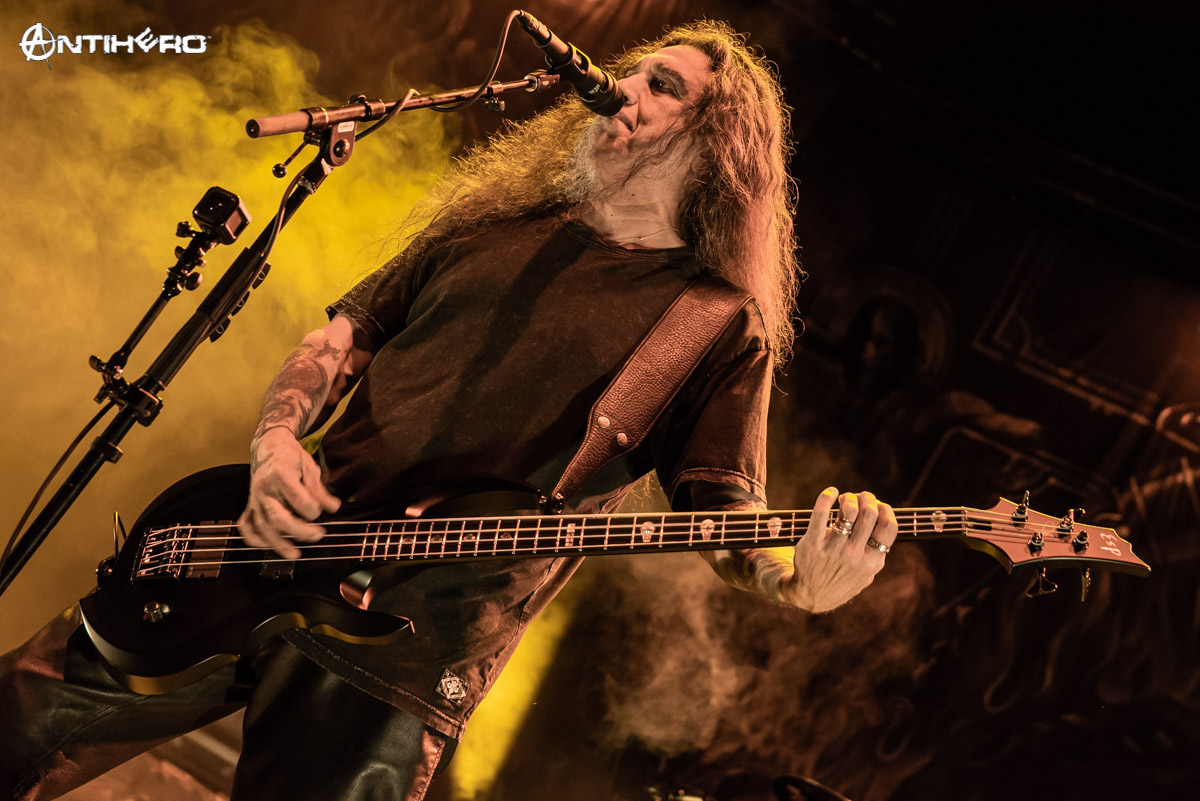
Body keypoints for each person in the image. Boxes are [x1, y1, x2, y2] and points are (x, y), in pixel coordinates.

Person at [0, 21, 898, 801]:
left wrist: (793, 582)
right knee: (16, 713)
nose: (623, 88)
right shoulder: (492, 221)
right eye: (632, 71)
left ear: (719, 146)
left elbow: (726, 517)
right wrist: (274, 445)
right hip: (261, 548)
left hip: (403, 652)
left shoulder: (715, 321)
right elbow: (336, 343)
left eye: (662, 85)